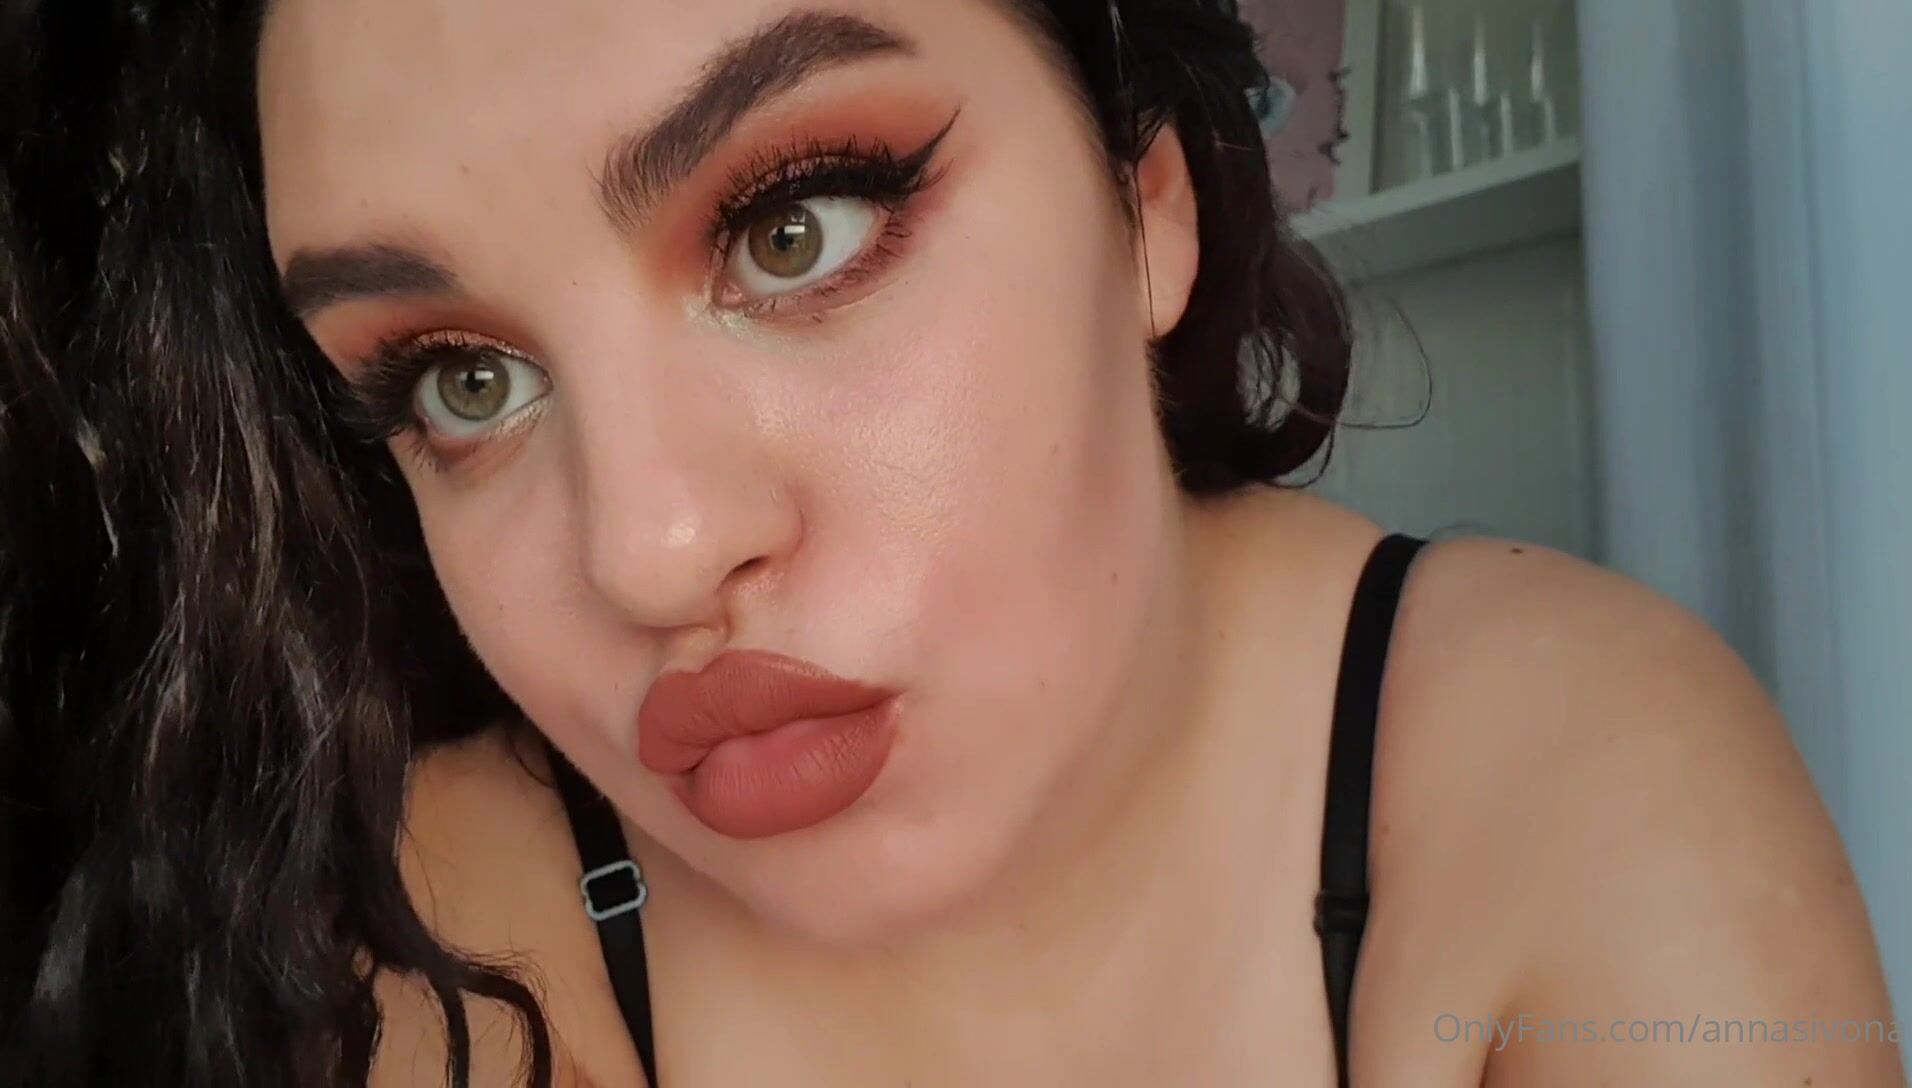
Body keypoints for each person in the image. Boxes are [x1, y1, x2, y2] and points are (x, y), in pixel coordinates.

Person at [0, 1, 1901, 1085]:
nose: (649, 552)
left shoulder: (1570, 777)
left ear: (1147, 203)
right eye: (464, 380)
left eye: (796, 229)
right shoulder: (448, 923)